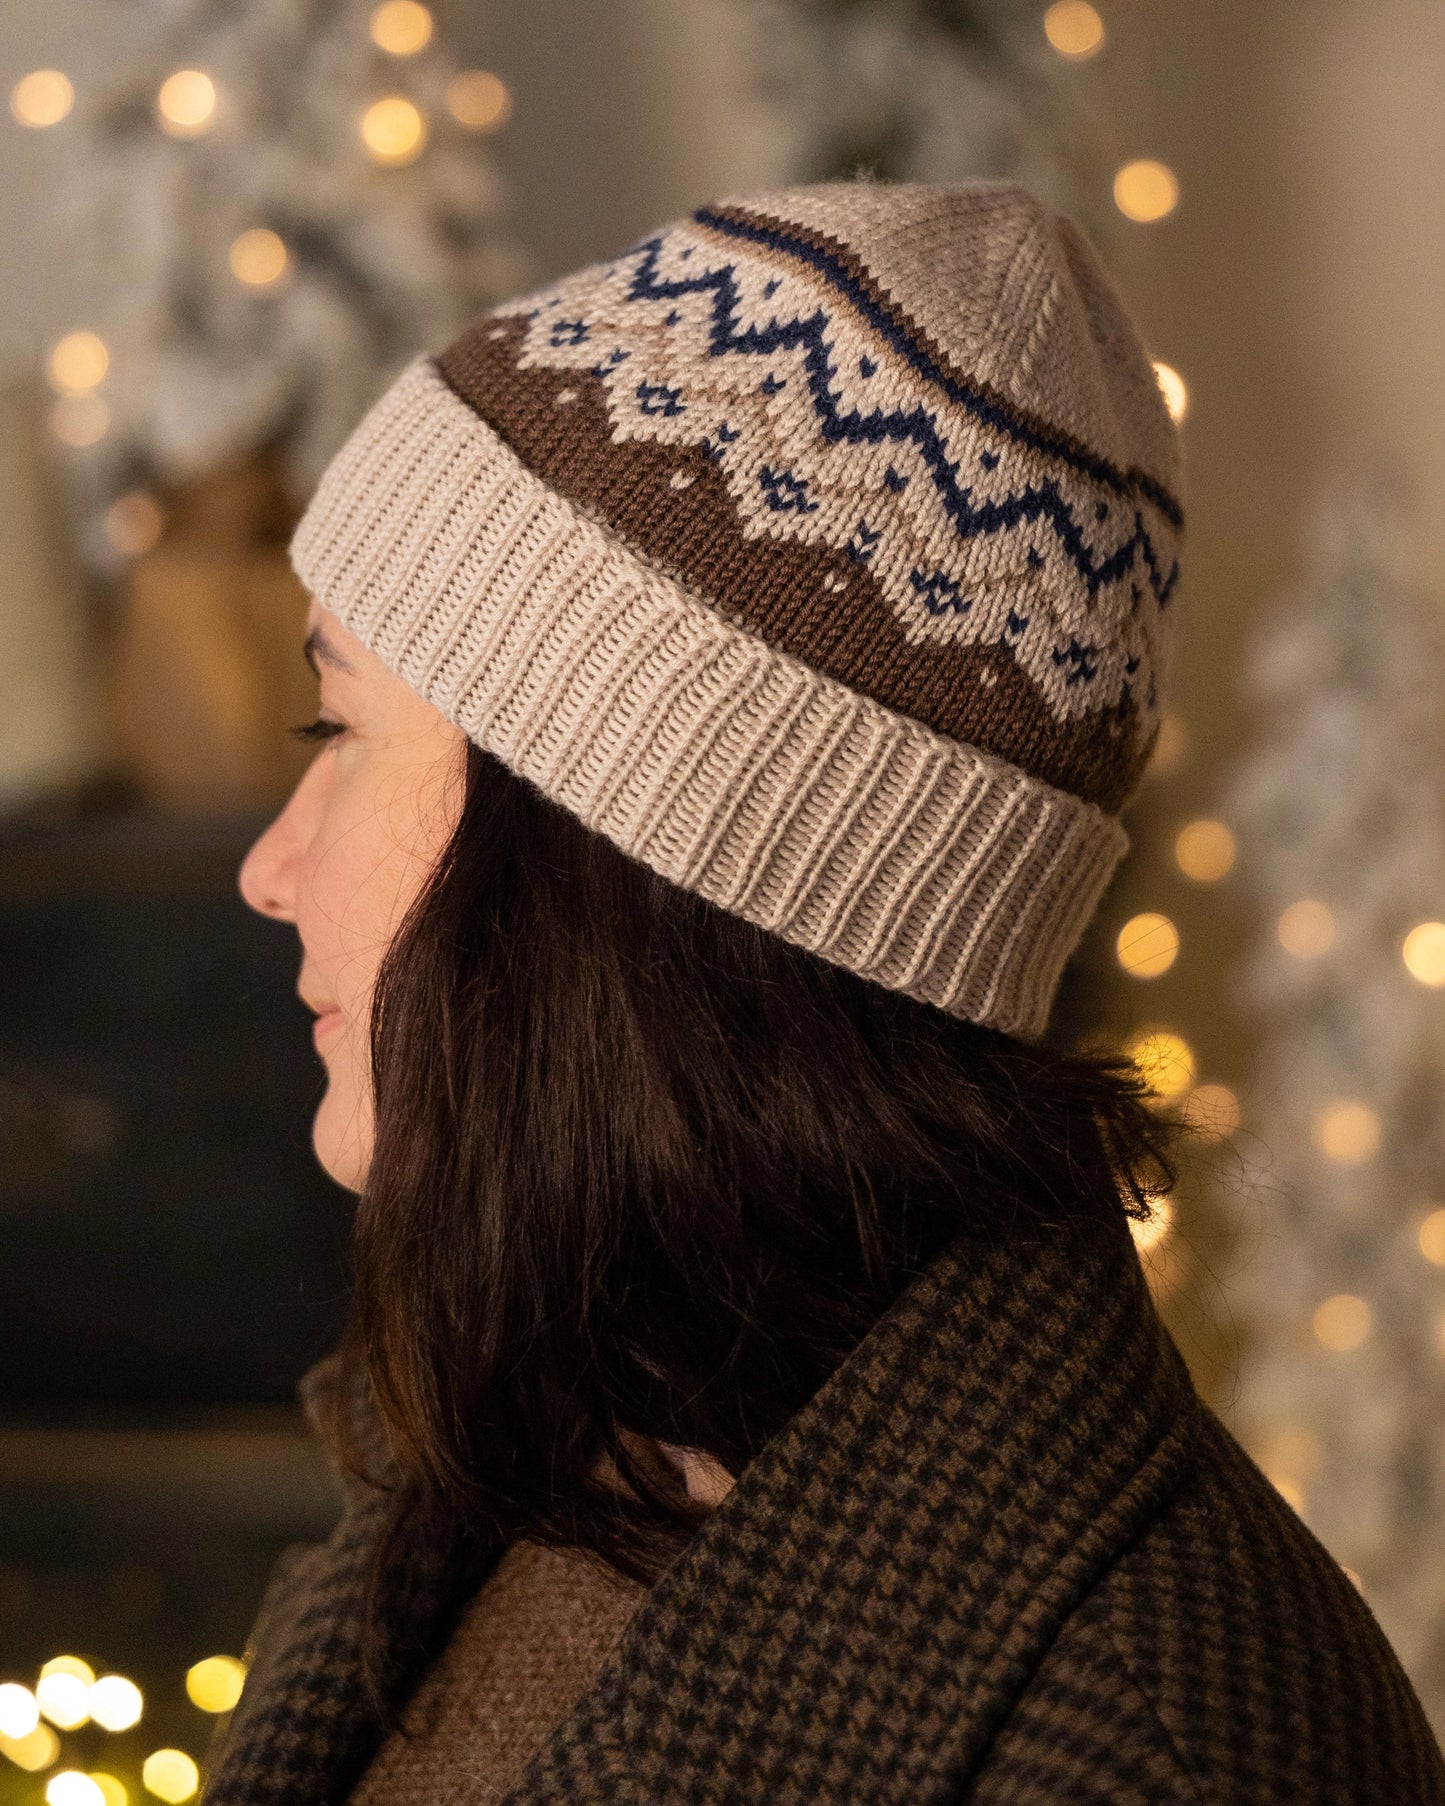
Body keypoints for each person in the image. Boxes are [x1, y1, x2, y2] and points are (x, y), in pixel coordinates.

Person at [211, 181, 1444, 1805]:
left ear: (620, 854)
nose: (269, 866)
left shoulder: (1173, 1750)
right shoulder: (542, 1448)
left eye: (339, 732)